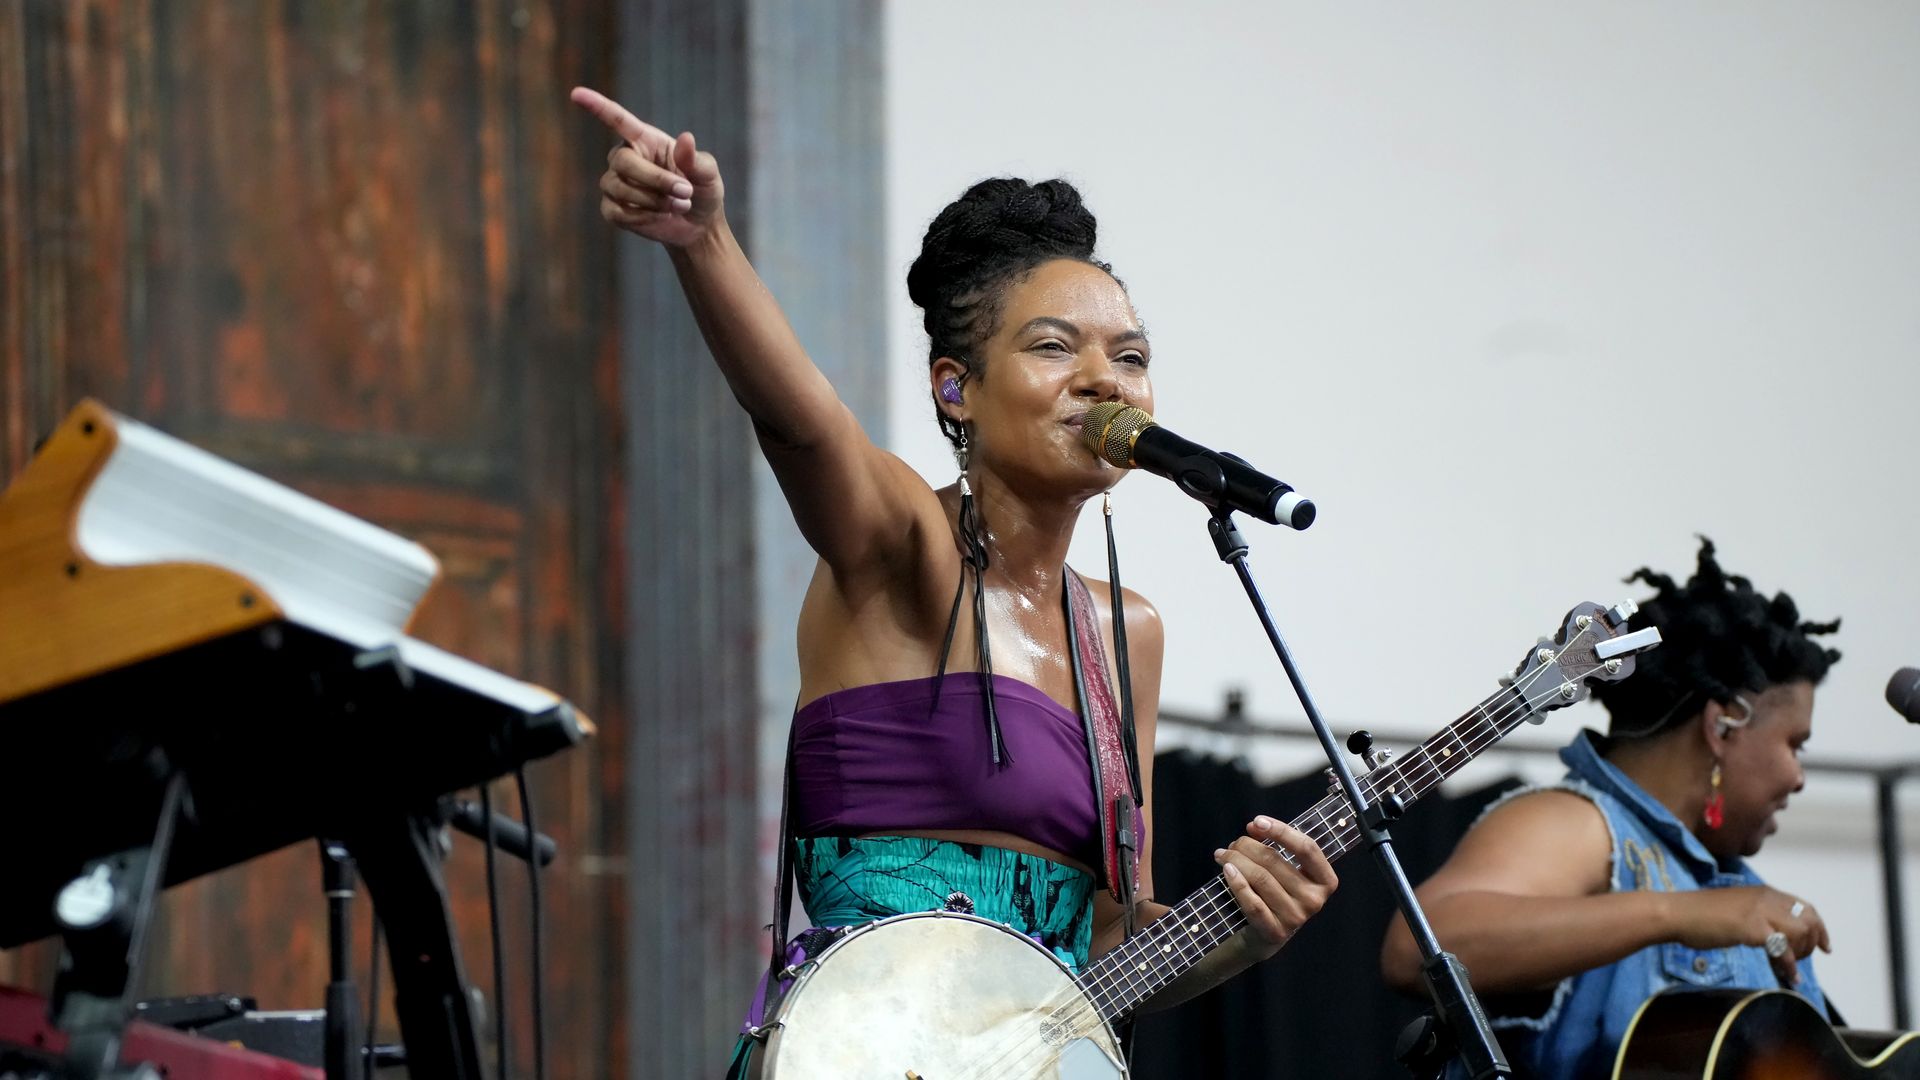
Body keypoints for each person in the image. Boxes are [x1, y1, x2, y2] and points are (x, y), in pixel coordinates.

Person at [569, 87, 1340, 1073]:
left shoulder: (1127, 634)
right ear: (955, 387)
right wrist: (703, 239)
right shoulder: (901, 541)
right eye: (1056, 346)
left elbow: (1104, 947)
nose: (1106, 380)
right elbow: (801, 421)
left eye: (1131, 356)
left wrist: (1247, 933)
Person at [1379, 538, 1841, 1078]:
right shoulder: (1579, 824)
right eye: (1795, 744)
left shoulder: (1730, 881)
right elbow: (1417, 949)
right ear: (1722, 725)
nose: (1799, 777)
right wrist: (1678, 914)